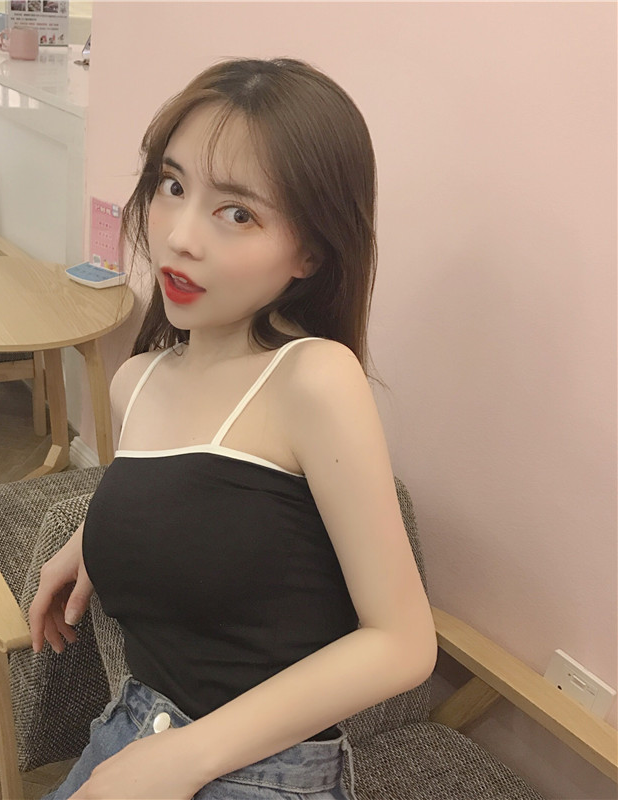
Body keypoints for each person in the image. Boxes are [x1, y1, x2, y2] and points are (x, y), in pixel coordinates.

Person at [29, 57, 437, 800]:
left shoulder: (313, 378)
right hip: (131, 730)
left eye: (238, 213)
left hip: (263, 772)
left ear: (310, 252)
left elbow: (403, 643)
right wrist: (95, 536)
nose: (181, 237)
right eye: (172, 186)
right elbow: (201, 499)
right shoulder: (136, 381)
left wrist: (182, 760)